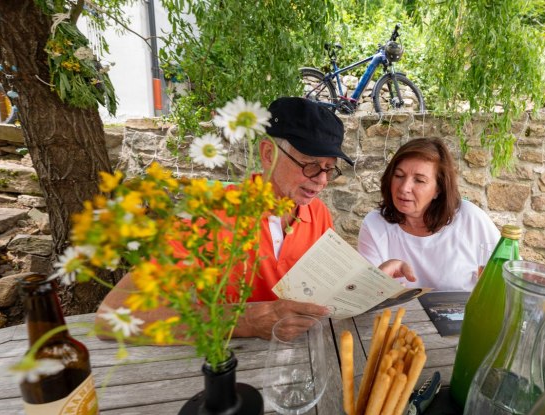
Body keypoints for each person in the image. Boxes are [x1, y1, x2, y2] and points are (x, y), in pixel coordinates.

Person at [97, 97, 413, 340]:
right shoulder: (211, 215)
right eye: (309, 164)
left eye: (329, 168)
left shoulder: (318, 215)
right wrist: (246, 320)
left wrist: (372, 282)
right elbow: (111, 317)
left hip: (306, 364)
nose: (321, 180)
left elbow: (325, 293)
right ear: (267, 153)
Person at [358, 137, 500, 291]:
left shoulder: (470, 219)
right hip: (396, 315)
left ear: (438, 189)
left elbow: (507, 279)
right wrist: (377, 279)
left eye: (419, 180)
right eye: (399, 176)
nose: (404, 188)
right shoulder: (374, 224)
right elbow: (363, 296)